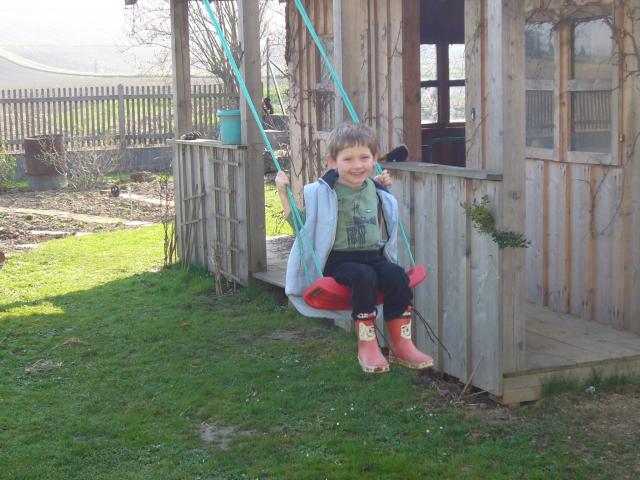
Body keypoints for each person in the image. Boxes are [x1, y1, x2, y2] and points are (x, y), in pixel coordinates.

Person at [276, 122, 433, 374]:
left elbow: (382, 203)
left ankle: (401, 344)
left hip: (373, 255)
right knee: (363, 276)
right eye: (348, 159)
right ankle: (367, 344)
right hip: (340, 261)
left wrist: (381, 184)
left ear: (375, 159)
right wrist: (283, 193)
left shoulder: (376, 188)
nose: (357, 165)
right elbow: (300, 225)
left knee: (396, 275)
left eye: (364, 158)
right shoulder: (322, 192)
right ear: (332, 162)